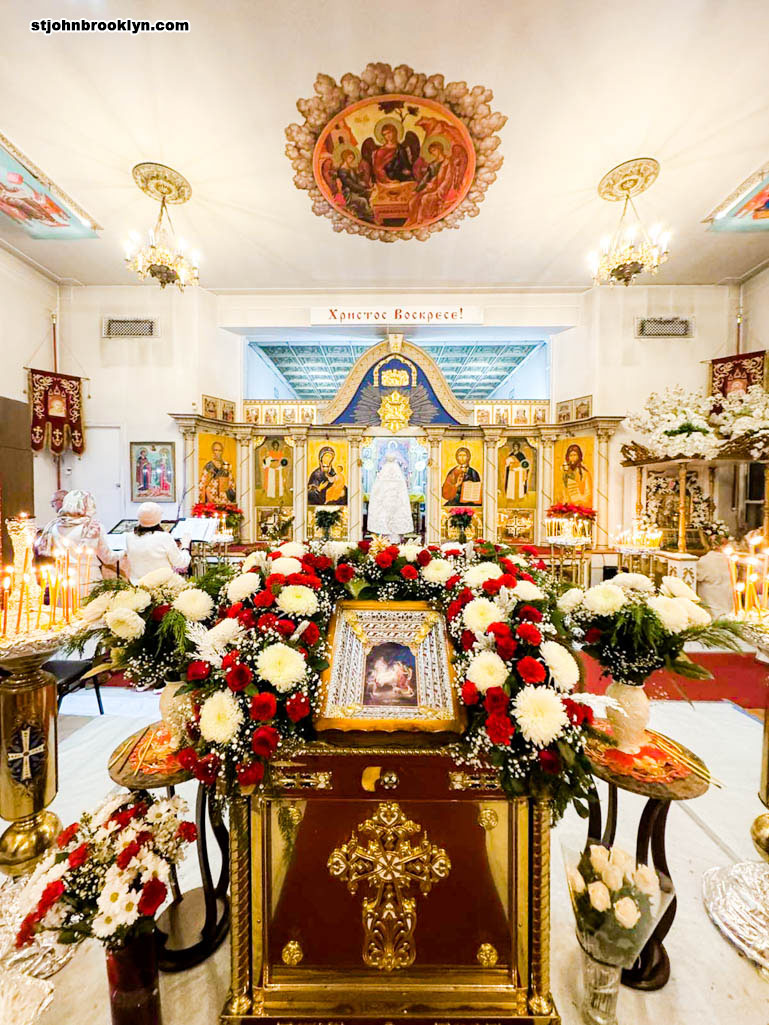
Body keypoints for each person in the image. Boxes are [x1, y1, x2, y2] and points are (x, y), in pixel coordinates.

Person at [46, 489, 119, 588]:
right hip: (87, 578)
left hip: (61, 579)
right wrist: (123, 553)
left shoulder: (54, 526)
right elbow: (107, 558)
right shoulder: (93, 527)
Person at [124, 503, 190, 585]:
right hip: (161, 585)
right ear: (159, 519)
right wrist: (185, 546)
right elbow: (181, 563)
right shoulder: (164, 537)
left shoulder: (129, 537)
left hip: (137, 585)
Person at [368, 451, 413, 541]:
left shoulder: (383, 473)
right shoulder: (397, 473)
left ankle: (388, 539)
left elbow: (376, 491)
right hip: (393, 502)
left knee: (386, 519)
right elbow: (402, 492)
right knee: (392, 519)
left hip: (388, 502)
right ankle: (393, 539)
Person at [697, 539, 734, 618]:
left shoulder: (705, 560)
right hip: (729, 607)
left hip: (711, 609)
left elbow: (695, 577)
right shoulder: (731, 560)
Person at [34, 489, 69, 557]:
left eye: (53, 502)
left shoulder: (60, 524)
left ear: (63, 500)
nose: (52, 505)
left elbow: (39, 544)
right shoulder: (57, 522)